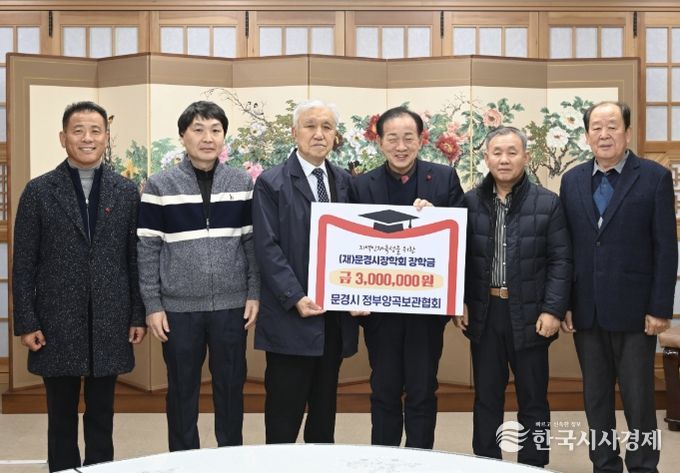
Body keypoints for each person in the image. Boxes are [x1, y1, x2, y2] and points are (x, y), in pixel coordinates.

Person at [12, 101, 146, 472]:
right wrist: (27, 321)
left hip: (110, 319)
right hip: (56, 321)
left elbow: (134, 258)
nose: (87, 138)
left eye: (95, 131)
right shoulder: (39, 191)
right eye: (78, 130)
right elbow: (24, 263)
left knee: (103, 413)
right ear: (63, 138)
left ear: (106, 138)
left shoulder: (125, 191)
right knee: (61, 416)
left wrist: (137, 314)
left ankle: (101, 468)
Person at [560, 101, 677, 473]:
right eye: (596, 127)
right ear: (586, 135)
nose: (604, 134)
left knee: (639, 398)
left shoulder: (654, 177)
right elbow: (566, 248)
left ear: (627, 132)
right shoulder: (572, 180)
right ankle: (604, 464)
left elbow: (666, 247)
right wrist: (564, 303)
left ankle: (643, 466)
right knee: (595, 398)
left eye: (612, 126)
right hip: (587, 309)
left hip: (636, 312)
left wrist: (660, 308)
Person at [137, 101, 259, 451]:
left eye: (215, 130)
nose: (208, 138)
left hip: (232, 306)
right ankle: (182, 460)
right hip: (179, 309)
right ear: (183, 136)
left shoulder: (241, 181)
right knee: (181, 391)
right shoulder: (160, 185)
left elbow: (251, 242)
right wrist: (153, 305)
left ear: (224, 137)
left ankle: (230, 458)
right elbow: (147, 248)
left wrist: (254, 292)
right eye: (198, 130)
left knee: (231, 389)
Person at [349, 106, 465, 449]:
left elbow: (462, 237)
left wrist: (437, 219)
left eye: (408, 138)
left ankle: (420, 460)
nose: (401, 146)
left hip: (426, 309)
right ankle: (385, 461)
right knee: (383, 389)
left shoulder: (444, 179)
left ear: (421, 140)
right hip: (379, 311)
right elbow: (350, 243)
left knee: (422, 389)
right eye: (392, 138)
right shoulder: (361, 185)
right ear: (380, 142)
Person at [456, 126, 571, 467]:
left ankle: (533, 465)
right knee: (486, 397)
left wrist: (553, 309)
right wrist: (458, 300)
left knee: (533, 399)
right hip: (485, 311)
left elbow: (561, 260)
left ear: (525, 156)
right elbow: (456, 257)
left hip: (532, 314)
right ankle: (486, 463)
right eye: (497, 152)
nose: (504, 159)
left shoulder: (548, 203)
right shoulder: (469, 202)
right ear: (486, 157)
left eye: (512, 152)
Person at [252, 99, 359, 444]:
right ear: (294, 132)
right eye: (310, 126)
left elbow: (361, 242)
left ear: (335, 136)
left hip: (332, 319)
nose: (319, 134)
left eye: (327, 127)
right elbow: (267, 248)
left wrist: (360, 290)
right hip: (291, 316)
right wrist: (295, 296)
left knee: (324, 416)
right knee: (284, 418)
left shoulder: (344, 182)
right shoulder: (271, 183)